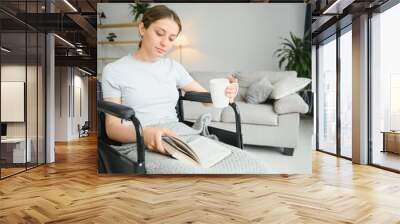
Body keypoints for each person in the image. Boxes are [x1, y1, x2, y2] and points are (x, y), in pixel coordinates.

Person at [102, 5, 238, 156]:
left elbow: (207, 99)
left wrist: (224, 92)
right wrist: (145, 134)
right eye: (160, 33)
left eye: (171, 38)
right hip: (139, 141)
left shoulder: (174, 67)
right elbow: (112, 129)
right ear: (142, 29)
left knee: (242, 161)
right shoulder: (115, 70)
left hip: (177, 135)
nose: (165, 43)